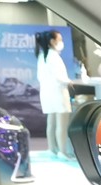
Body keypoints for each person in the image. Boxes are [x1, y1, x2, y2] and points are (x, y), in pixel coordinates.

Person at [35, 30, 74, 159]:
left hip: (47, 94)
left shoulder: (42, 56)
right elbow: (60, 77)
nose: (62, 42)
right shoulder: (54, 57)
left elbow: (40, 77)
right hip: (58, 94)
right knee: (61, 125)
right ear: (52, 41)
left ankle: (52, 149)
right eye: (60, 39)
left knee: (51, 123)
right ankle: (63, 151)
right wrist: (69, 82)